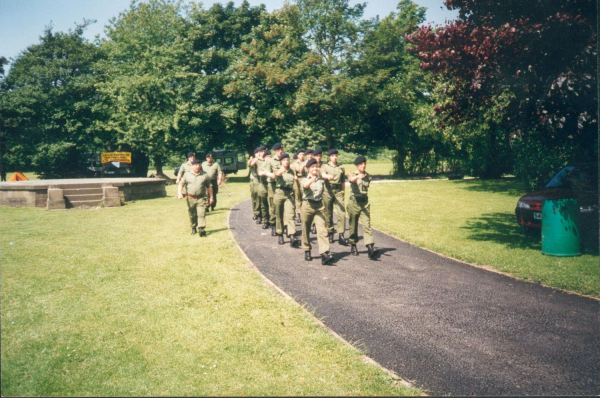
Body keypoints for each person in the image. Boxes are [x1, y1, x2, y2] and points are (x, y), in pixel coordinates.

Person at [301, 158, 334, 265]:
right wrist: (312, 179)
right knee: (306, 229)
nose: (315, 169)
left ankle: (325, 253)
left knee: (322, 229)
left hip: (319, 206)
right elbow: (305, 186)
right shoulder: (304, 179)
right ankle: (307, 250)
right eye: (312, 167)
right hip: (307, 205)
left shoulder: (321, 180)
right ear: (308, 169)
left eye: (316, 167)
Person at [347, 155, 376, 258]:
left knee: (367, 224)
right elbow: (351, 180)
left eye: (364, 164)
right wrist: (357, 176)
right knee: (353, 225)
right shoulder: (351, 173)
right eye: (361, 164)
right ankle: (353, 244)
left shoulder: (368, 176)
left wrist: (362, 176)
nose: (363, 166)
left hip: (364, 203)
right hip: (354, 203)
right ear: (356, 165)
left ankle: (370, 246)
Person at [270, 153, 300, 247]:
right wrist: (281, 170)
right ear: (281, 162)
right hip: (279, 193)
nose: (286, 162)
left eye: (287, 160)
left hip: (289, 194)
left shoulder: (292, 171)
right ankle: (280, 234)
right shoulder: (277, 169)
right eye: (284, 160)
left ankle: (292, 235)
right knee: (279, 215)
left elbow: (295, 178)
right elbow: (276, 175)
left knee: (290, 214)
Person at [178, 159, 213, 237]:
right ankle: (193, 227)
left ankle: (201, 229)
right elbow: (181, 184)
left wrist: (211, 197)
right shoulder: (187, 175)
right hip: (190, 198)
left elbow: (209, 186)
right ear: (192, 166)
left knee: (201, 213)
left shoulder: (204, 175)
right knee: (192, 214)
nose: (197, 167)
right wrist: (180, 193)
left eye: (198, 165)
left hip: (201, 198)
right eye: (195, 165)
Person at [321, 149, 349, 245]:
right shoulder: (324, 166)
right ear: (329, 157)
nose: (335, 157)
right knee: (328, 212)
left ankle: (341, 235)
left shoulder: (341, 167)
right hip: (328, 191)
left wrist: (343, 192)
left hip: (338, 191)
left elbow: (343, 181)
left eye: (336, 155)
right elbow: (322, 174)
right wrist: (327, 176)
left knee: (341, 213)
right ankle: (330, 232)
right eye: (332, 156)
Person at [266, 142, 284, 236]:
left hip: (282, 186)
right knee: (273, 205)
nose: (280, 151)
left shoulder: (284, 159)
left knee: (281, 206)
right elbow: (267, 172)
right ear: (275, 151)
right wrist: (272, 175)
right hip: (272, 185)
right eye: (278, 150)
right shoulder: (270, 161)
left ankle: (282, 226)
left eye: (281, 149)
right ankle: (273, 225)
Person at [256, 147, 271, 228]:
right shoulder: (261, 165)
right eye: (267, 157)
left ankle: (272, 221)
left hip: (271, 186)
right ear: (264, 158)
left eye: (270, 157)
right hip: (263, 185)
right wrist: (266, 173)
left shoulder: (273, 165)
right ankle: (265, 220)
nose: (268, 158)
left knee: (272, 204)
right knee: (264, 204)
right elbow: (260, 173)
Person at [290, 149, 306, 223]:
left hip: (304, 179)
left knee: (304, 197)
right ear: (297, 155)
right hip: (297, 180)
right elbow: (297, 171)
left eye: (303, 154)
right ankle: (299, 214)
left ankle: (304, 213)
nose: (302, 156)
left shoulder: (306, 162)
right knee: (297, 197)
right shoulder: (294, 164)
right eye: (300, 154)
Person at [248, 147, 261, 220]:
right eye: (257, 152)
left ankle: (258, 212)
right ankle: (255, 212)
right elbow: (250, 164)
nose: (259, 154)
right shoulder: (253, 160)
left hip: (259, 180)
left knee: (259, 197)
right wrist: (253, 159)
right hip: (254, 180)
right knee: (254, 197)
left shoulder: (261, 160)